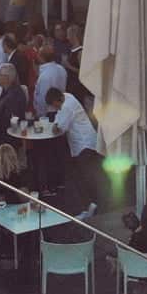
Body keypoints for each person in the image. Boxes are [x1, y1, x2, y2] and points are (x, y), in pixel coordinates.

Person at [45, 86, 102, 215]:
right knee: (84, 176)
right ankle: (91, 205)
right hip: (85, 142)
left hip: (84, 144)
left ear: (58, 100)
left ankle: (90, 207)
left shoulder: (66, 107)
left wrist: (56, 126)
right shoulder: (67, 96)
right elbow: (59, 118)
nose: (56, 109)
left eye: (56, 106)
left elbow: (59, 128)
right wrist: (57, 123)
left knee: (84, 177)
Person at [0, 64, 28, 143]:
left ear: (7, 78)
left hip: (8, 137)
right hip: (3, 134)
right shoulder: (6, 91)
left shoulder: (14, 95)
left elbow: (12, 119)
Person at [34, 46, 69, 114]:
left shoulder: (45, 76)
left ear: (41, 58)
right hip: (61, 108)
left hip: (49, 113)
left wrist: (40, 114)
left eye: (38, 54)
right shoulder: (62, 69)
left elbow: (43, 99)